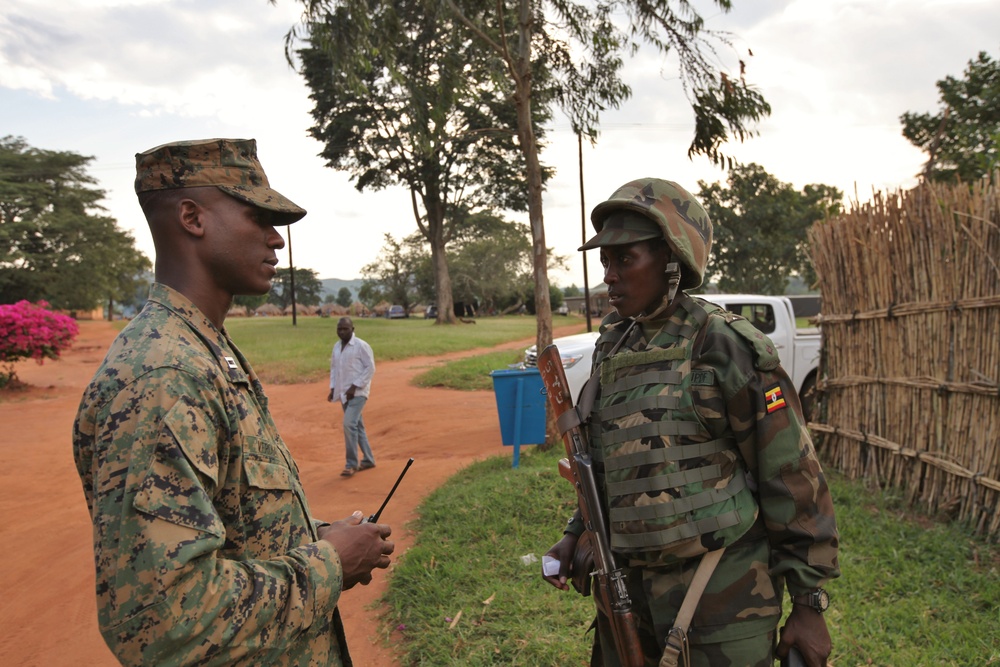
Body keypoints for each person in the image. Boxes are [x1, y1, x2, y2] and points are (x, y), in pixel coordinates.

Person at [73, 138, 394, 666]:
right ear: (192, 217)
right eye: (258, 217)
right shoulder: (165, 374)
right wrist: (329, 563)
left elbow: (226, 525)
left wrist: (316, 538)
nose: (276, 241)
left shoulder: (203, 348)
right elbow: (164, 621)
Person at [542, 178, 840, 667]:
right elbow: (603, 458)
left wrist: (809, 606)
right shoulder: (613, 344)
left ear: (672, 259)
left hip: (722, 597)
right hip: (627, 595)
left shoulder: (722, 344)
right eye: (606, 261)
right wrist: (577, 532)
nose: (609, 276)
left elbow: (791, 476)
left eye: (625, 259)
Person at [327, 316, 377, 477]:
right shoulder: (336, 347)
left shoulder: (361, 346)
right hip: (343, 394)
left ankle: (351, 464)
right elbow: (335, 369)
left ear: (352, 329)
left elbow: (370, 368)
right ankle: (368, 459)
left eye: (345, 329)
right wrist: (333, 388)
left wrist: (355, 386)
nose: (342, 331)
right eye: (339, 329)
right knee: (357, 426)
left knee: (349, 424)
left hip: (358, 393)